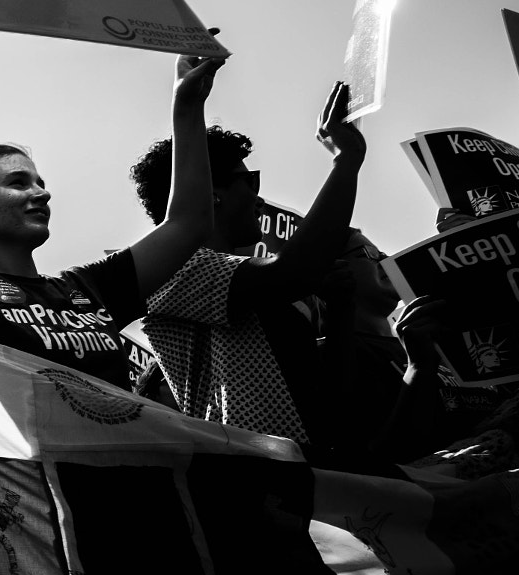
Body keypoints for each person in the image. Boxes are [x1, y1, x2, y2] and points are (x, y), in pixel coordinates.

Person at [0, 0, 222, 387]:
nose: (41, 193)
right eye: (18, 183)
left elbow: (188, 225)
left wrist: (187, 107)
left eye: (40, 183)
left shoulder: (90, 288)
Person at [125, 85, 366, 447]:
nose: (259, 198)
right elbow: (292, 272)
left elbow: (330, 404)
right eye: (249, 181)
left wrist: (341, 310)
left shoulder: (256, 288)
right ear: (212, 195)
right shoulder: (173, 271)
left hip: (313, 471)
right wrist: (346, 160)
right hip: (254, 478)